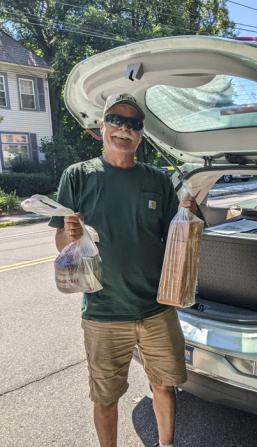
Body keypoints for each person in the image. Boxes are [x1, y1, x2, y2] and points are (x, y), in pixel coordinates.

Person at [49, 93, 197, 447]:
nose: (124, 129)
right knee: (105, 397)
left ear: (140, 135)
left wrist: (189, 214)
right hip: (103, 311)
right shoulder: (78, 176)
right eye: (116, 119)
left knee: (164, 384)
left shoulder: (159, 181)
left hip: (157, 309)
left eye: (134, 124)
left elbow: (176, 239)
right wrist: (68, 235)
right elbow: (60, 243)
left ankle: (166, 444)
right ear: (102, 127)